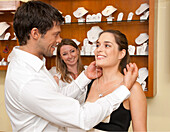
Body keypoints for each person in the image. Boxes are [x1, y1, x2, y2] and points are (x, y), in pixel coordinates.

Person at [4, 1, 138, 132]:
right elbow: (83, 118)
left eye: (107, 45)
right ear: (35, 33)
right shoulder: (28, 79)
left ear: (122, 53)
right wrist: (123, 89)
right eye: (55, 34)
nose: (59, 40)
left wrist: (85, 77)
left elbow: (56, 98)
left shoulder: (33, 66)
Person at [84, 30, 147, 131]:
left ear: (121, 54)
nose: (99, 50)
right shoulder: (89, 83)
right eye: (98, 45)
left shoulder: (133, 88)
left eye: (107, 45)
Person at [49, 38, 87, 104]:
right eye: (65, 54)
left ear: (77, 51)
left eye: (72, 51)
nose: (70, 56)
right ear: (61, 57)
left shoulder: (88, 71)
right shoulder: (57, 79)